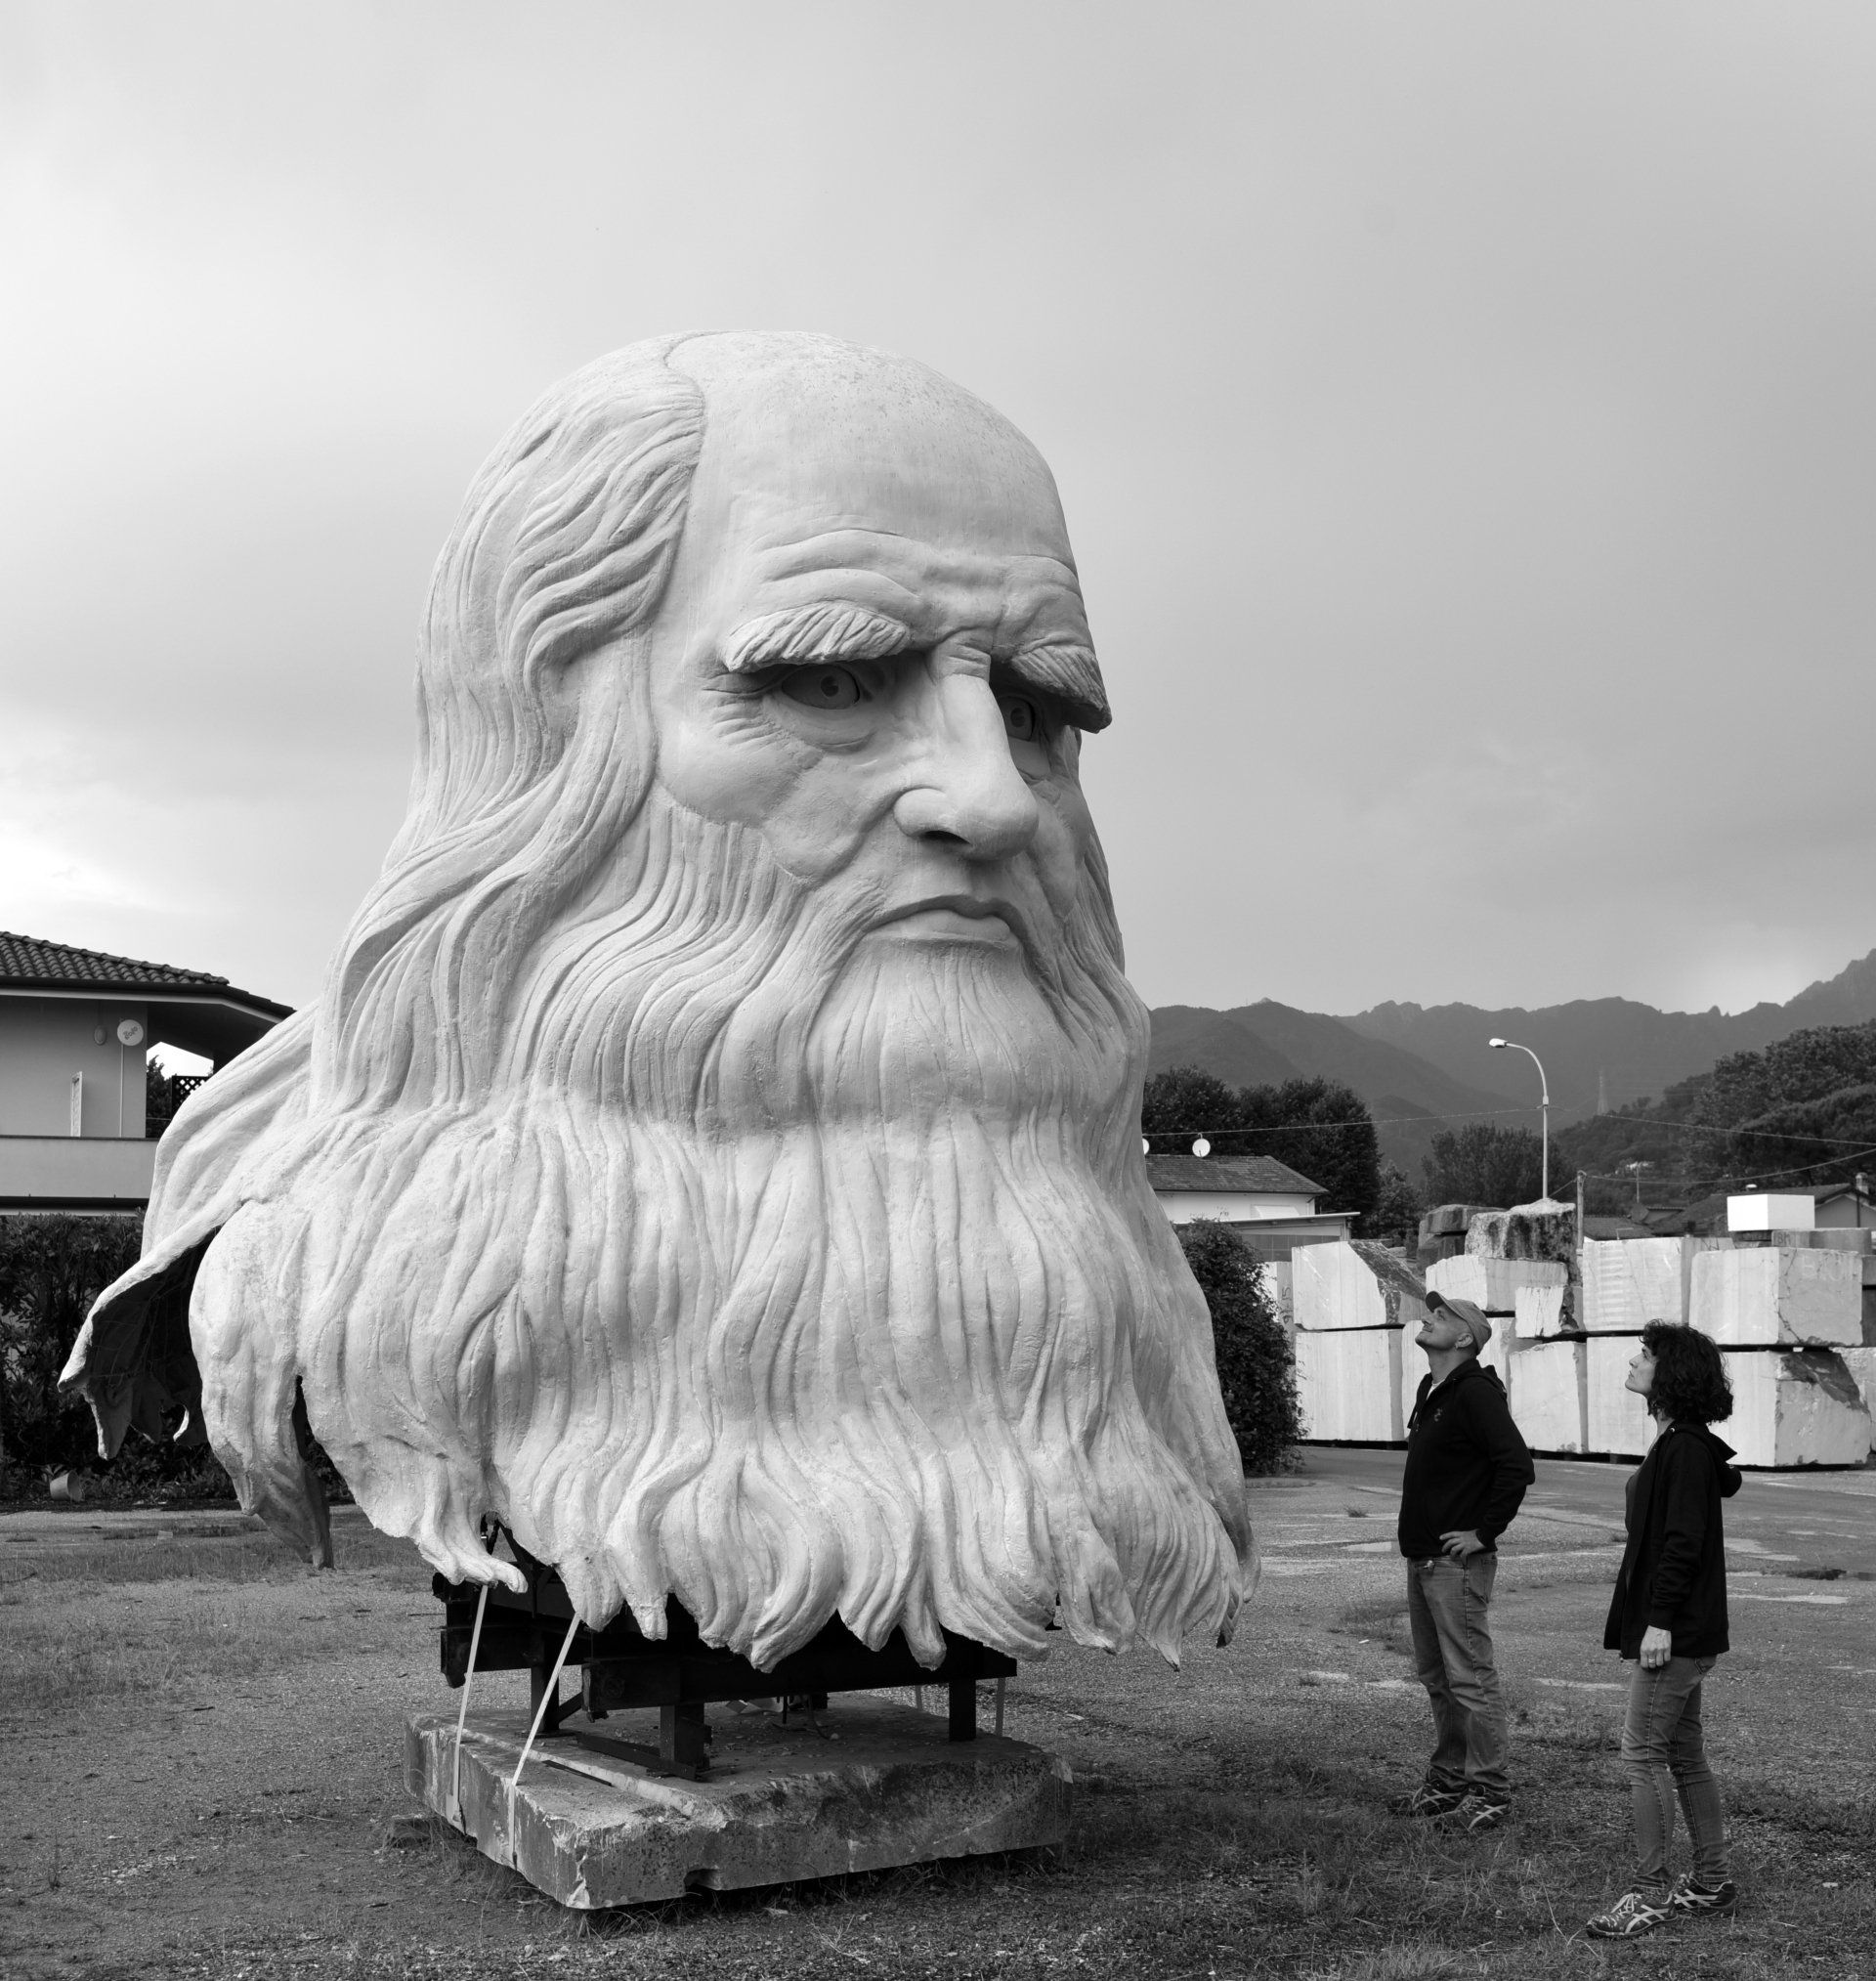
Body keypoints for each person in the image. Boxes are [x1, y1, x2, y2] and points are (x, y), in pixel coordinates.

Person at [1586, 1320, 1741, 1940]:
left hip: (1676, 1632)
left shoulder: (1683, 1448)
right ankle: (1711, 1880)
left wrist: (1658, 1623)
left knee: (1641, 1754)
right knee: (1683, 1753)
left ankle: (1649, 1892)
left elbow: (1683, 1544)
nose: (1633, 1361)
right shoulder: (1683, 1441)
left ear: (1669, 1373)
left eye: (1645, 1356)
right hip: (1690, 1629)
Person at [1397, 1291, 1535, 1832]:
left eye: (1443, 1315)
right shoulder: (1432, 1388)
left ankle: (1491, 1791)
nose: (1429, 1317)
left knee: (1470, 1677)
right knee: (1438, 1676)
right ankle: (1450, 1779)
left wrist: (1483, 1532)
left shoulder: (1475, 1391)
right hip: (1423, 1557)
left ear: (1463, 1339)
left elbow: (1516, 1466)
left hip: (1454, 1564)